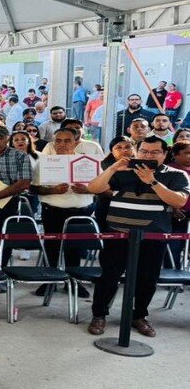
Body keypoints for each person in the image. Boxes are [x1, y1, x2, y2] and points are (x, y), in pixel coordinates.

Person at [86, 136, 189, 338]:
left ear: (165, 154)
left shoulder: (176, 175)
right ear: (137, 151)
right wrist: (113, 168)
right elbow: (93, 188)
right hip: (118, 233)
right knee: (109, 276)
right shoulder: (122, 172)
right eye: (144, 151)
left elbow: (179, 201)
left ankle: (139, 316)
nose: (148, 156)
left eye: (154, 152)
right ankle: (99, 315)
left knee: (147, 279)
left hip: (153, 236)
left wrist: (152, 181)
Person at [30, 128, 95, 298]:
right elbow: (33, 188)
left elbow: (100, 186)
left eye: (67, 141)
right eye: (58, 141)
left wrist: (87, 189)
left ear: (76, 142)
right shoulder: (44, 162)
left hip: (80, 212)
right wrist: (52, 190)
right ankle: (49, 280)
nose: (62, 144)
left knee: (75, 248)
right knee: (52, 247)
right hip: (53, 211)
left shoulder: (87, 162)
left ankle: (74, 281)